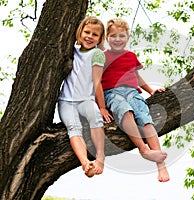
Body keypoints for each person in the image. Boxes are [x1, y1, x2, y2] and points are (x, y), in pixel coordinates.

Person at [100, 18, 170, 182]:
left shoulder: (131, 56)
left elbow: (137, 77)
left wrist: (151, 90)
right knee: (125, 111)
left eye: (122, 36)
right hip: (112, 93)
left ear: (128, 38)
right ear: (107, 38)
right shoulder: (103, 57)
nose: (118, 39)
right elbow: (95, 82)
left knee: (145, 119)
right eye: (113, 36)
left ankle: (161, 165)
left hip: (133, 92)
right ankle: (143, 149)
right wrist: (101, 106)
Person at [58, 16, 112, 178]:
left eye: (94, 35)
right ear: (80, 32)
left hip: (86, 100)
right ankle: (85, 162)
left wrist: (102, 107)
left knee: (95, 117)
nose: (89, 36)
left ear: (100, 39)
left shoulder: (97, 54)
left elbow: (97, 83)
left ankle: (100, 156)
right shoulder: (71, 51)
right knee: (73, 128)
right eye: (86, 32)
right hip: (66, 101)